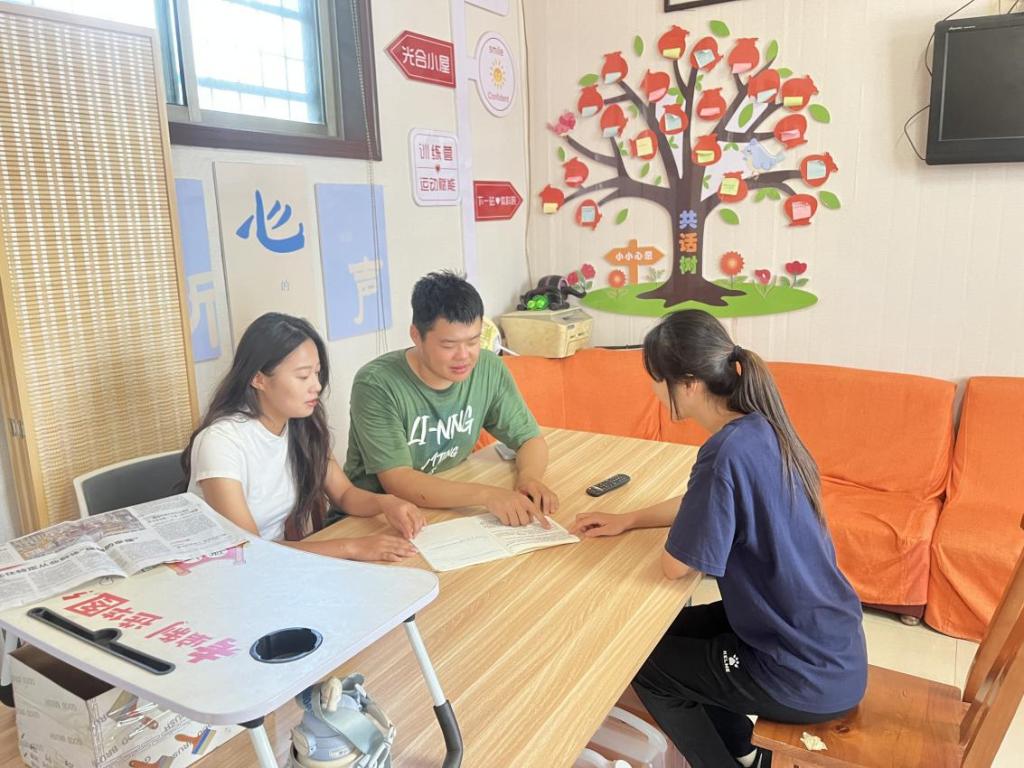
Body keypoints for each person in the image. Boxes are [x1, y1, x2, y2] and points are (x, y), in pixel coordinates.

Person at [570, 310, 867, 768]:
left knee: (644, 665)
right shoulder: (763, 426)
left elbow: (676, 566)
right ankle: (745, 753)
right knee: (656, 635)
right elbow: (706, 502)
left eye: (656, 379)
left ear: (688, 384)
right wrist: (629, 519)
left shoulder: (724, 451)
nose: (653, 390)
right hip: (824, 640)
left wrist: (663, 531)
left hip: (801, 672)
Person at [181, 312, 425, 562]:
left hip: (277, 563)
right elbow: (250, 549)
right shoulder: (221, 442)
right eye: (302, 376)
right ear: (258, 379)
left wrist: (387, 503)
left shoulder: (302, 424)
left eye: (317, 373)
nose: (316, 385)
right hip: (221, 570)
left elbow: (344, 495)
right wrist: (352, 548)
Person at [344, 271, 558, 527]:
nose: (464, 356)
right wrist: (487, 496)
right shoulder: (377, 384)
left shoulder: (488, 368)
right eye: (448, 345)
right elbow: (398, 480)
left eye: (473, 341)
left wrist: (529, 478)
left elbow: (529, 439)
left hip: (444, 511)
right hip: (373, 521)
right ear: (416, 335)